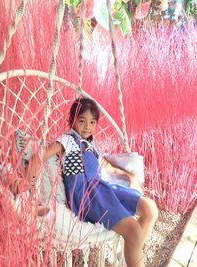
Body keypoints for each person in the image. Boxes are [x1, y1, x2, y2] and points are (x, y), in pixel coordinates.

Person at [28, 97, 158, 267]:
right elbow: (39, 157)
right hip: (87, 193)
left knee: (150, 209)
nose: (87, 126)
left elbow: (108, 168)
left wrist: (130, 177)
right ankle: (133, 249)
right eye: (81, 121)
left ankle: (132, 254)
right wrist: (26, 182)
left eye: (92, 122)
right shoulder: (67, 140)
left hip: (102, 187)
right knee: (133, 231)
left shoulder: (91, 146)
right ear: (72, 120)